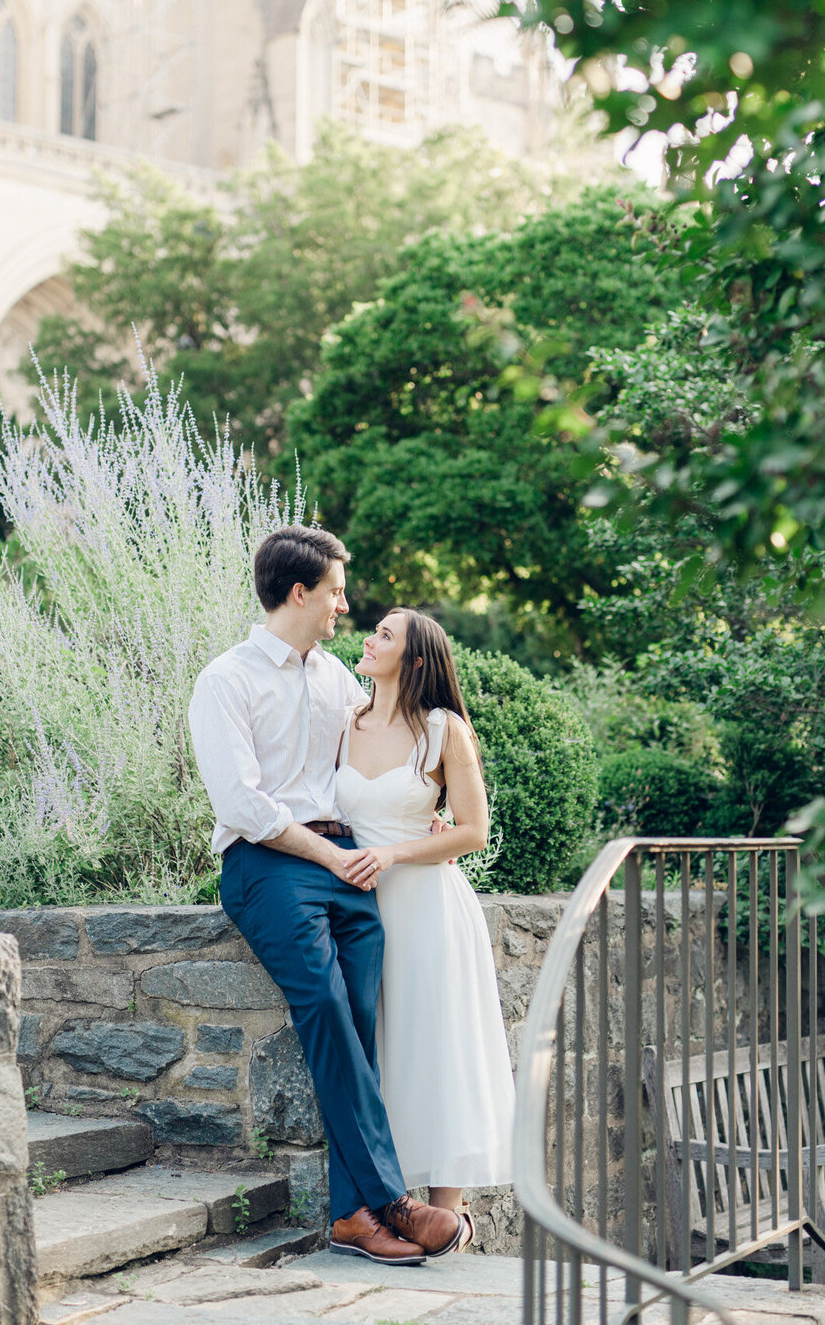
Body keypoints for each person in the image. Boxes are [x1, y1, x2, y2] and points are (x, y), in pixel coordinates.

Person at [188, 526, 465, 1266]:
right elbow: (242, 803)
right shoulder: (227, 679)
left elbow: (385, 743)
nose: (346, 604)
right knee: (327, 1006)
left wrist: (426, 802)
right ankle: (392, 1201)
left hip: (345, 861)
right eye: (337, 590)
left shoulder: (336, 680)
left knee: (361, 1022)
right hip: (268, 863)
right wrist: (325, 854)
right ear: (301, 591)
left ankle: (350, 1217)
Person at [335, 608, 516, 1245]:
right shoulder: (343, 720)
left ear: (414, 661)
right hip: (359, 912)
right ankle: (394, 1203)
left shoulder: (444, 730)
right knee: (383, 1046)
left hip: (429, 909)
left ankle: (451, 1216)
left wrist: (394, 851)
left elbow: (472, 830)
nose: (368, 637)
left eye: (385, 634)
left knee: (438, 1047)